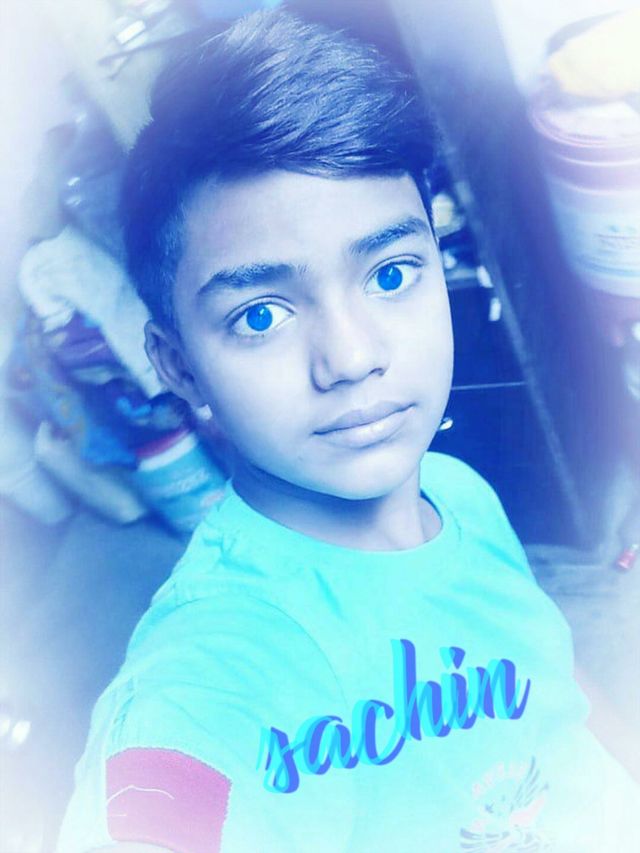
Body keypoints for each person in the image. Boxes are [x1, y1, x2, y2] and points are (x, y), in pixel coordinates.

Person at [58, 9, 640, 852]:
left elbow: (552, 694)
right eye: (261, 315)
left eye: (392, 274)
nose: (354, 357)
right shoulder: (207, 682)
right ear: (178, 365)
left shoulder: (458, 493)